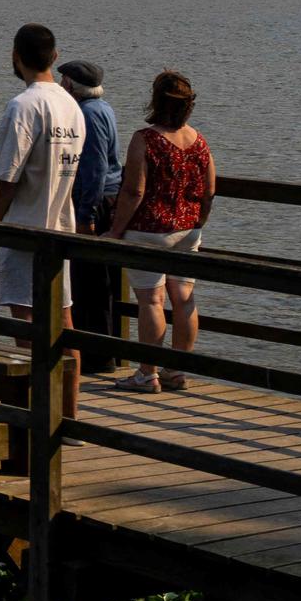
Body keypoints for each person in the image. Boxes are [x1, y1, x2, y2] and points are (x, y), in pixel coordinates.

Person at [0, 21, 86, 421]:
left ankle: (34, 416)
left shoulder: (23, 106)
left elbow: (7, 178)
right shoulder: (72, 105)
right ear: (56, 57)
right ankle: (69, 417)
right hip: (61, 227)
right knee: (64, 324)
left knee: (26, 326)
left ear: (15, 56)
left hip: (25, 227)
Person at [104, 70, 215, 394]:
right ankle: (176, 371)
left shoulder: (145, 139)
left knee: (152, 300)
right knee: (184, 298)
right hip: (187, 230)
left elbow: (133, 192)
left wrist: (116, 230)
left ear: (155, 101)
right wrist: (199, 222)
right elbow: (209, 190)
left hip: (149, 231)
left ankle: (146, 373)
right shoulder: (199, 141)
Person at [60, 60, 125, 372]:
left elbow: (96, 167)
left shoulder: (88, 114)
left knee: (91, 281)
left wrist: (86, 214)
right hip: (107, 199)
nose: (60, 87)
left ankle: (98, 357)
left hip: (96, 202)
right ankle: (103, 352)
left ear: (71, 86)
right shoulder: (104, 108)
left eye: (63, 82)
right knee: (99, 280)